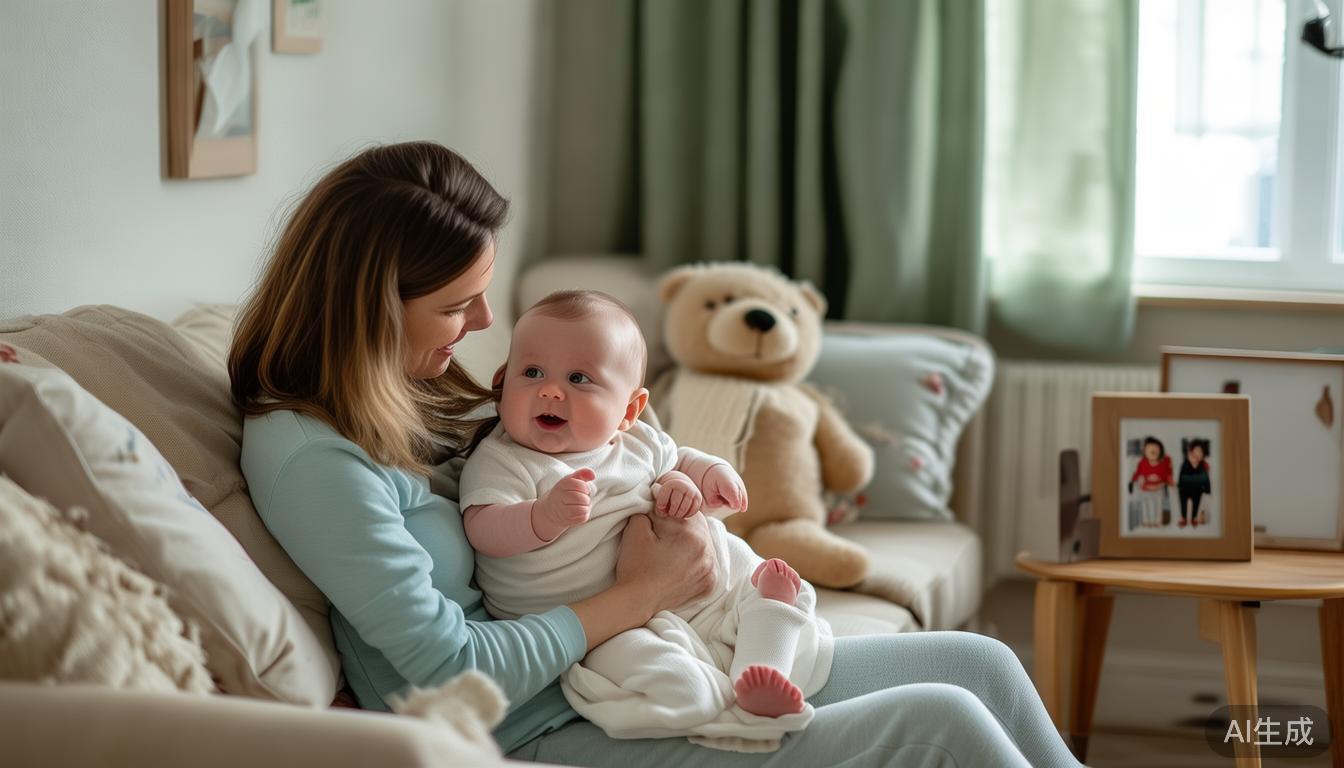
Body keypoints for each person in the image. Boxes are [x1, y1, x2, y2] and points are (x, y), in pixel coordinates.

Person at [229, 140, 1083, 767]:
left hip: (634, 652)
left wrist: (682, 497)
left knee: (979, 662)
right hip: (542, 723)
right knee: (942, 722)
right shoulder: (312, 460)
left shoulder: (402, 390)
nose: (484, 326)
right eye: (459, 306)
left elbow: (599, 458)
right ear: (372, 304)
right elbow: (449, 667)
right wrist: (645, 592)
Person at [460, 290, 829, 749]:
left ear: (630, 411)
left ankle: (763, 669)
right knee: (648, 667)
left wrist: (711, 474)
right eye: (531, 373)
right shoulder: (505, 461)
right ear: (502, 385)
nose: (550, 390)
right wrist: (541, 516)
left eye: (579, 378)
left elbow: (680, 459)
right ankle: (713, 701)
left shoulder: (639, 442)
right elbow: (482, 528)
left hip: (682, 593)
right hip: (596, 627)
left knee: (761, 580)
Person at [1128, 437, 1172, 529]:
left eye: (1156, 449)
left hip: (1158, 489)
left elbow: (1167, 476)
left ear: (1161, 452)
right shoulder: (1142, 463)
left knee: (1158, 505)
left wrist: (1164, 482)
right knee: (1145, 505)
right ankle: (1146, 521)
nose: (1153, 450)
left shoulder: (1162, 464)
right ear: (1144, 451)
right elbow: (1137, 473)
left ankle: (1157, 522)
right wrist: (1132, 480)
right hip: (1145, 489)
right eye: (1150, 449)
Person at [1177, 439, 1212, 529]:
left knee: (1197, 501)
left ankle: (1193, 518)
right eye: (1195, 451)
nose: (1197, 454)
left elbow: (1205, 479)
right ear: (1190, 453)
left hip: (1197, 490)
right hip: (1185, 489)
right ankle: (1184, 518)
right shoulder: (1185, 464)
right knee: (1183, 500)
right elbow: (1182, 478)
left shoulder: (1202, 466)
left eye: (1200, 452)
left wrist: (1207, 489)